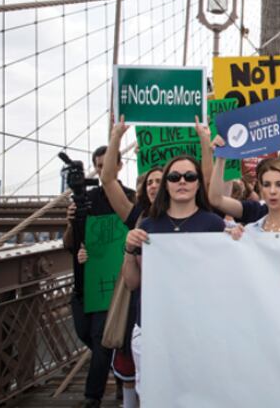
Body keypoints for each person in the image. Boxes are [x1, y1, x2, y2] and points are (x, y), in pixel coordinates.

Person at [123, 156, 225, 397]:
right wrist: (128, 250)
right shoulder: (147, 227)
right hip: (154, 328)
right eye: (174, 177)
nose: (182, 182)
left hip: (198, 329)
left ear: (199, 184)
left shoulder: (215, 225)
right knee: (156, 395)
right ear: (166, 184)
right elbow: (132, 282)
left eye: (190, 177)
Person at [99, 117, 166, 408]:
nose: (154, 185)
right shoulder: (136, 215)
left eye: (160, 180)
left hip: (176, 305)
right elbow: (108, 180)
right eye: (149, 181)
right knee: (130, 366)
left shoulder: (189, 215)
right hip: (140, 304)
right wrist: (117, 137)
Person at [63, 145, 134, 408]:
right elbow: (68, 243)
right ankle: (121, 367)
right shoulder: (85, 199)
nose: (104, 169)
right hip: (84, 283)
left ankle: (92, 397)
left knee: (99, 337)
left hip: (113, 285)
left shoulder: (129, 198)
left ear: (120, 166)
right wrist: (70, 222)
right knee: (85, 332)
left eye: (109, 164)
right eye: (99, 165)